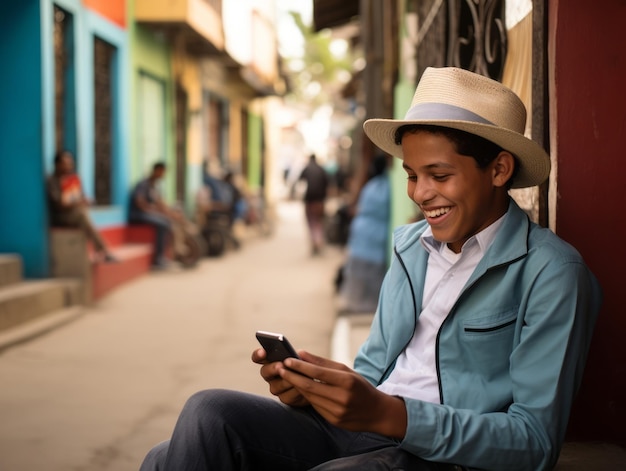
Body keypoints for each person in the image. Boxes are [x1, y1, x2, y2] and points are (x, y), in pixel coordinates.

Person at [139, 67, 602, 470]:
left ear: (499, 169)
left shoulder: (553, 273)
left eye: (439, 176)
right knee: (205, 417)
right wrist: (317, 387)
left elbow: (534, 443)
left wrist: (392, 415)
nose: (420, 194)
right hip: (366, 433)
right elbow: (373, 375)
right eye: (411, 175)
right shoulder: (411, 249)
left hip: (444, 457)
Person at [337, 153, 391, 313]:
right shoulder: (386, 187)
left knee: (359, 271)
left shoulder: (370, 186)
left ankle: (356, 303)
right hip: (377, 233)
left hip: (361, 231)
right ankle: (371, 306)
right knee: (374, 273)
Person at [46, 150, 117, 263]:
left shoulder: (72, 179)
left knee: (82, 213)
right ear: (57, 164)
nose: (69, 166)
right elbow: (59, 205)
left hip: (73, 213)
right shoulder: (51, 181)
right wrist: (78, 202)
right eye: (66, 163)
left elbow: (79, 196)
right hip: (59, 216)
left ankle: (101, 250)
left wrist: (85, 201)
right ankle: (103, 250)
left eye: (70, 163)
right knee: (82, 215)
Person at [128, 162, 174, 269]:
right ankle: (158, 259)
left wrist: (170, 213)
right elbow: (139, 202)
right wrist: (153, 210)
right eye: (163, 172)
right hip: (137, 215)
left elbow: (160, 203)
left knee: (167, 221)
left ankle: (165, 255)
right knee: (163, 224)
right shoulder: (143, 184)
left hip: (147, 214)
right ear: (157, 171)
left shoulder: (154, 186)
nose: (164, 175)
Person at [297, 153, 329, 255]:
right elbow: (328, 184)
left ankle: (315, 242)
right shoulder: (321, 169)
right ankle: (318, 242)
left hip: (309, 200)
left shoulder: (307, 169)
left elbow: (300, 181)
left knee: (311, 222)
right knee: (318, 222)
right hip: (320, 200)